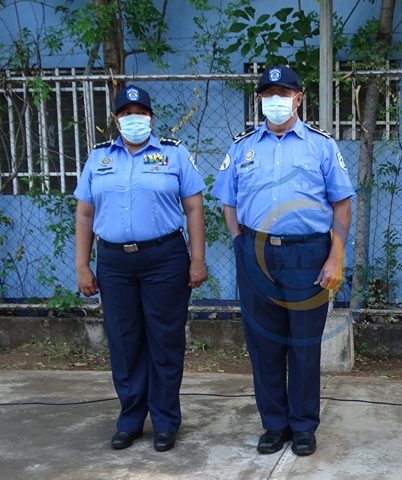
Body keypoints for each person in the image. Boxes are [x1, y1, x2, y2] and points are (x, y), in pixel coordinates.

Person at [213, 65, 354, 456]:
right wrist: (240, 243)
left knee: (304, 344)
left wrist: (335, 256)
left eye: (284, 92)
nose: (276, 100)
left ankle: (304, 426)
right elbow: (229, 201)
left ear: (298, 98)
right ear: (259, 99)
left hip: (307, 253)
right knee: (264, 343)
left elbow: (342, 203)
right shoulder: (242, 147)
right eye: (269, 93)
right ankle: (274, 424)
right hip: (256, 252)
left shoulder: (321, 145)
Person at [74, 84, 207, 452]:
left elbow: (194, 207)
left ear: (151, 117)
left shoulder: (173, 154)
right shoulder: (99, 158)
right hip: (114, 262)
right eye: (127, 113)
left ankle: (164, 421)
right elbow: (84, 214)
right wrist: (82, 265)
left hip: (164, 258)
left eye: (141, 113)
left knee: (165, 341)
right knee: (124, 341)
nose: (134, 119)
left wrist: (197, 259)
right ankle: (130, 420)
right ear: (116, 119)